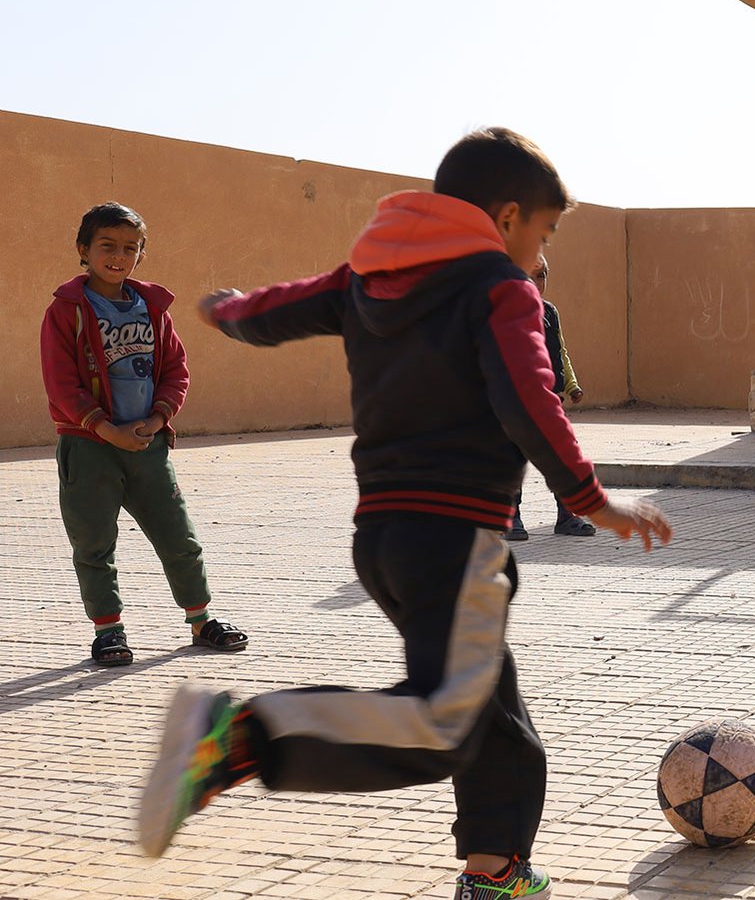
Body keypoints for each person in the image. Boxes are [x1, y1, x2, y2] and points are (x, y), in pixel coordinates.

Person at [136, 128, 671, 900]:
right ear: (509, 213)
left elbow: (283, 307)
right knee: (445, 718)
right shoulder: (498, 286)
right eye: (543, 235)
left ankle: (497, 871)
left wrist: (231, 312)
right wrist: (592, 499)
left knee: (493, 715)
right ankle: (239, 739)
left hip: (384, 537)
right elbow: (528, 397)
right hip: (456, 538)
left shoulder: (372, 277)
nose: (540, 256)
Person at [40, 202, 250, 668]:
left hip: (147, 446)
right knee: (94, 545)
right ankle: (108, 632)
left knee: (179, 536)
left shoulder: (153, 309)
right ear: (83, 250)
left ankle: (201, 621)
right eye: (107, 246)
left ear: (141, 254)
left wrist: (158, 420)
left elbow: (176, 370)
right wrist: (103, 428)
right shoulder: (67, 310)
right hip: (90, 446)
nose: (118, 255)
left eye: (130, 247)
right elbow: (61, 382)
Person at [507, 254, 593, 540]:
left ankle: (567, 516)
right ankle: (511, 518)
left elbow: (561, 353)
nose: (535, 282)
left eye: (541, 275)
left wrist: (571, 384)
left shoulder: (549, 313)